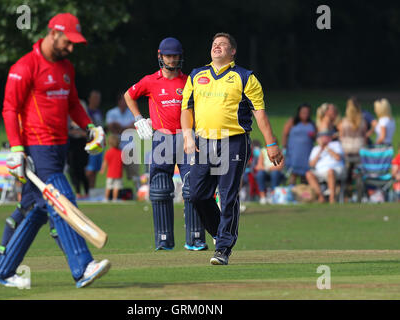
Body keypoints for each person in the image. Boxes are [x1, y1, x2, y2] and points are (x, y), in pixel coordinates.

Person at [0, 13, 110, 289]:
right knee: (60, 199)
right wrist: (17, 148)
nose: (71, 48)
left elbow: (73, 104)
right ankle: (83, 266)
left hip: (59, 146)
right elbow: (9, 109)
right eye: (68, 41)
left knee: (38, 209)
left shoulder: (66, 67)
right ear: (53, 33)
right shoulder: (25, 66)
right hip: (35, 147)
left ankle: (1, 270)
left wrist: (91, 126)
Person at [181, 32, 283, 265]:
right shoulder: (197, 75)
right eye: (214, 44)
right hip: (203, 141)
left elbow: (260, 114)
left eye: (223, 45)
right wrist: (188, 136)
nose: (217, 47)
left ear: (233, 51)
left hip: (233, 140)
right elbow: (186, 108)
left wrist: (271, 144)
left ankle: (223, 248)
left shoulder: (245, 77)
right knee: (196, 194)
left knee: (227, 196)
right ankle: (220, 232)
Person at [124, 37, 208, 251]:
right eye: (168, 56)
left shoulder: (190, 81)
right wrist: (138, 118)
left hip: (187, 137)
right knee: (160, 190)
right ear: (160, 57)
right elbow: (129, 95)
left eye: (175, 56)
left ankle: (195, 238)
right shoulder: (150, 81)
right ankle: (164, 240)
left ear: (181, 57)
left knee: (192, 188)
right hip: (162, 139)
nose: (172, 59)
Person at [106, 92, 141, 191]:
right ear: (118, 101)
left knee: (134, 170)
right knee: (115, 171)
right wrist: (126, 127)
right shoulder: (111, 113)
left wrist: (120, 127)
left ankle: (138, 190)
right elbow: (111, 128)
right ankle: (113, 192)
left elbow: (134, 127)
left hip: (130, 146)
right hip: (116, 146)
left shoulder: (132, 112)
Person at [338, 97, 367, 197]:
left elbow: (341, 137)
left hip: (347, 151)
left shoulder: (344, 122)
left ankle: (345, 196)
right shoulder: (362, 122)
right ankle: (359, 195)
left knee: (346, 175)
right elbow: (365, 137)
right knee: (359, 175)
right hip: (359, 151)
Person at [305, 131, 345, 203]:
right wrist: (321, 150)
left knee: (330, 171)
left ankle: (332, 198)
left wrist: (326, 148)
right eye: (321, 137)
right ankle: (321, 197)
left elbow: (338, 157)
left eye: (325, 137)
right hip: (320, 171)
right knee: (309, 174)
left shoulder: (335, 145)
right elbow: (311, 164)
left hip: (336, 169)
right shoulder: (316, 149)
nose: (323, 139)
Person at [282, 103, 316, 185]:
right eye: (303, 112)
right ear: (299, 112)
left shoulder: (312, 124)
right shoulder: (292, 122)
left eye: (307, 112)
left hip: (307, 153)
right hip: (294, 152)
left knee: (305, 174)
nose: (305, 114)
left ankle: (303, 195)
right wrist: (284, 147)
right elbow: (285, 134)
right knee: (293, 173)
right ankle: (291, 190)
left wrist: (313, 135)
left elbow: (316, 137)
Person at [85, 90, 104, 191]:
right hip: (91, 143)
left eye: (98, 98)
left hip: (99, 143)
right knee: (90, 169)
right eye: (95, 98)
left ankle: (92, 190)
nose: (97, 101)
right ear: (89, 99)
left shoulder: (99, 112)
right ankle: (87, 189)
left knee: (96, 169)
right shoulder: (87, 111)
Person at [67, 117, 90, 198]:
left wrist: (78, 133)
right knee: (72, 170)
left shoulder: (84, 122)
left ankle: (86, 191)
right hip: (71, 148)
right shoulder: (68, 122)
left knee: (81, 170)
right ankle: (77, 191)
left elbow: (88, 133)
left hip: (82, 148)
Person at [100, 134, 123, 202]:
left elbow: (105, 162)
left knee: (108, 187)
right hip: (118, 173)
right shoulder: (121, 152)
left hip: (110, 174)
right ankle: (115, 199)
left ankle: (106, 198)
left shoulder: (108, 152)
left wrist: (102, 170)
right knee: (116, 187)